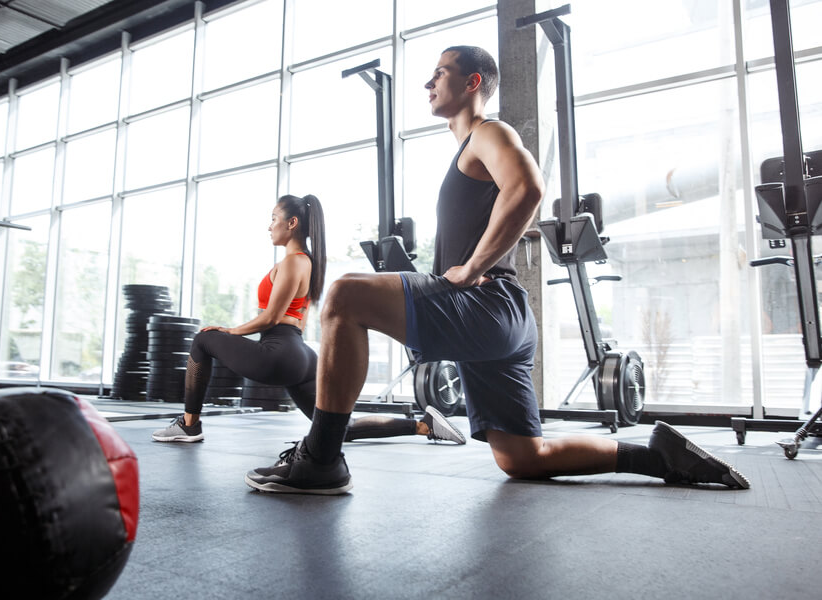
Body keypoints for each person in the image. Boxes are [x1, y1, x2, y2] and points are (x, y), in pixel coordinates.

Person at [244, 46, 750, 495]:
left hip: (486, 306)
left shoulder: (488, 132)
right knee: (523, 459)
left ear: (472, 83)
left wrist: (469, 268)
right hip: (502, 320)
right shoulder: (469, 150)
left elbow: (527, 187)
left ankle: (322, 460)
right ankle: (656, 455)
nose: (428, 82)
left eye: (440, 72)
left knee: (343, 296)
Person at [151, 194, 465, 445]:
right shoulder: (308, 263)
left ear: (292, 223)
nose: (269, 226)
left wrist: (230, 331)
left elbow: (271, 317)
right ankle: (423, 425)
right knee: (340, 427)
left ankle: (188, 425)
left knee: (203, 338)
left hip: (280, 353)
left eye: (274, 219)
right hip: (302, 356)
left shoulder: (292, 263)